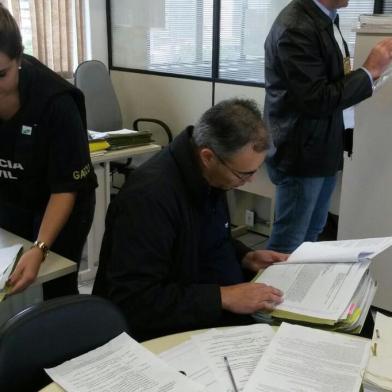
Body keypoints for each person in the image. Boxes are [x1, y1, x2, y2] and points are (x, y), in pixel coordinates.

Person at [93, 98, 287, 341]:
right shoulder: (149, 198)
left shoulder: (211, 175)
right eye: (243, 173)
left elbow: (204, 239)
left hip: (209, 313)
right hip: (163, 335)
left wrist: (244, 257)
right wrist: (223, 297)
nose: (248, 181)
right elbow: (135, 300)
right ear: (208, 156)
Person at [264, 0, 392, 253]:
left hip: (322, 146)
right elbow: (316, 99)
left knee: (310, 238)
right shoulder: (296, 26)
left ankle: (298, 292)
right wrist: (369, 70)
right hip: (302, 152)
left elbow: (330, 81)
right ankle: (271, 293)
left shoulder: (324, 17)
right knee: (287, 245)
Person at [0, 4, 97, 298]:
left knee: (54, 285)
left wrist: (40, 247)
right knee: (10, 281)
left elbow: (65, 188)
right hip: (13, 193)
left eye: (0, 75)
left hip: (62, 199)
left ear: (18, 59)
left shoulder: (55, 102)